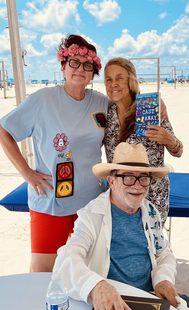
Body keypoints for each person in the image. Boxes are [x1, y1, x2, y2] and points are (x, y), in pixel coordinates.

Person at [52, 142, 187, 310]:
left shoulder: (150, 211)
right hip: (111, 303)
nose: (137, 186)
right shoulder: (93, 214)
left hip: (149, 298)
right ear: (112, 181)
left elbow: (163, 253)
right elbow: (65, 259)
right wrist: (96, 286)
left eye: (143, 178)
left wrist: (163, 279)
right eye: (128, 177)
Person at [0, 34, 108, 273]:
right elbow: (4, 130)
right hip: (51, 202)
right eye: (74, 62)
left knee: (87, 271)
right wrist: (26, 172)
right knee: (42, 274)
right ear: (63, 65)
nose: (80, 69)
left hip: (91, 204)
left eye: (87, 65)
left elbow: (129, 112)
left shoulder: (102, 103)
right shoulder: (43, 99)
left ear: (93, 72)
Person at [103, 57, 183, 225]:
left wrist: (169, 140)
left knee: (151, 247)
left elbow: (178, 151)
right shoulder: (105, 114)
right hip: (119, 199)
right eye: (108, 79)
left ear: (131, 81)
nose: (113, 84)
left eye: (119, 78)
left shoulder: (150, 107)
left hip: (151, 197)